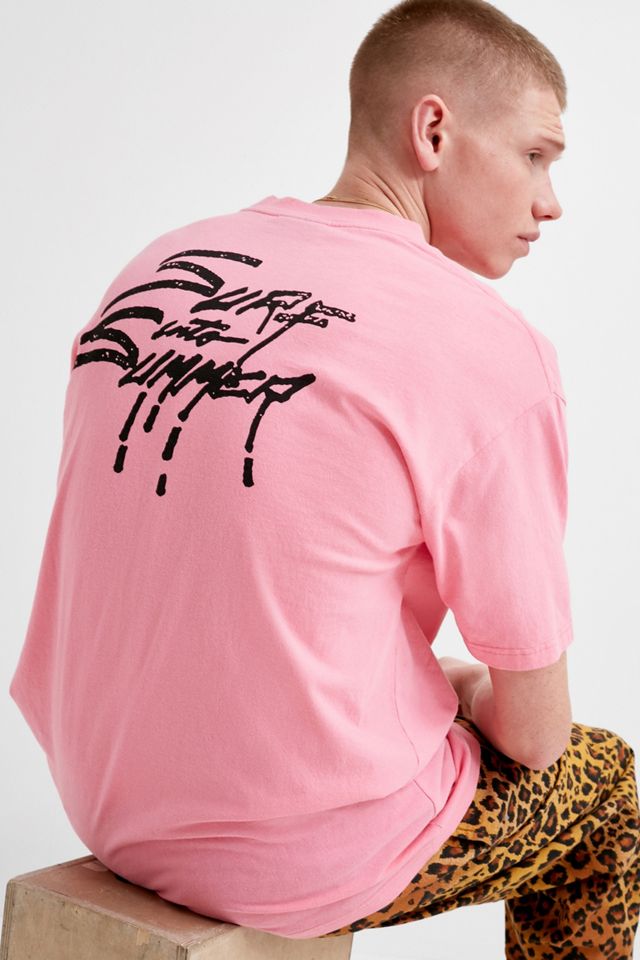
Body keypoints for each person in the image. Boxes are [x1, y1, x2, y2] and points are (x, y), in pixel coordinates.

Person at [8, 0, 638, 957]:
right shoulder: (483, 346)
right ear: (434, 132)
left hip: (100, 795)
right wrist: (467, 690)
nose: (550, 202)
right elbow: (536, 736)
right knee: (606, 789)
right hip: (289, 850)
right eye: (535, 155)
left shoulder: (163, 263)